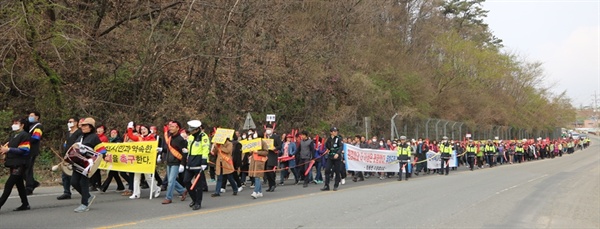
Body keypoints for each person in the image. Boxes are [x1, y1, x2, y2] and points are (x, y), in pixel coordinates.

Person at [71, 117, 106, 213]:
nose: (83, 127)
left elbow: (100, 148)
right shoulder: (80, 137)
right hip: (77, 162)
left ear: (91, 127)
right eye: (82, 125)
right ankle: (88, 196)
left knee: (83, 183)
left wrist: (105, 156)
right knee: (74, 182)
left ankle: (84, 204)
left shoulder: (94, 137)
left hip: (88, 163)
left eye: (85, 125)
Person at [0, 117, 31, 212]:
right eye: (13, 123)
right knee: (19, 184)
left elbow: (25, 149)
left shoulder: (25, 135)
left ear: (22, 125)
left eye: (16, 123)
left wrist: (8, 149)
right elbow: (8, 147)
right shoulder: (13, 136)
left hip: (20, 163)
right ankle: (25, 204)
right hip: (13, 162)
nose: (14, 125)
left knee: (9, 184)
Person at [125, 122, 161, 199]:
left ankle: (156, 188)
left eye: (144, 129)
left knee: (148, 177)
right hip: (139, 160)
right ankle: (136, 193)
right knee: (136, 177)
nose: (143, 130)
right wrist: (130, 128)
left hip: (147, 160)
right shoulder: (139, 137)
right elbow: (131, 136)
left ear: (148, 130)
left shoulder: (151, 138)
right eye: (141, 129)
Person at [183, 120, 209, 210]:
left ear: (197, 129)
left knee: (198, 185)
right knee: (186, 181)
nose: (190, 131)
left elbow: (206, 149)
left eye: (192, 129)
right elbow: (190, 147)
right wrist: (187, 151)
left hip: (199, 162)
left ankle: (198, 202)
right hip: (190, 162)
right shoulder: (190, 137)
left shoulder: (203, 137)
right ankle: (194, 199)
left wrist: (204, 162)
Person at [161, 121, 188, 205]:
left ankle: (168, 198)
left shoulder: (180, 139)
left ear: (177, 128)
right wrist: (161, 150)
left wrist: (182, 164)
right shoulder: (170, 138)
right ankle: (183, 191)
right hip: (169, 162)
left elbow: (184, 152)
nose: (170, 128)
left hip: (176, 162)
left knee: (171, 181)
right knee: (170, 180)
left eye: (173, 127)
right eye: (170, 126)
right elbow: (168, 149)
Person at [57, 118, 83, 200]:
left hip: (75, 155)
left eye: (71, 122)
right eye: (68, 122)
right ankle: (66, 192)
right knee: (65, 173)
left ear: (76, 123)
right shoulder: (68, 133)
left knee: (74, 175)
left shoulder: (79, 132)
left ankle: (83, 192)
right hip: (66, 155)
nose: (69, 123)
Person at [25, 111, 42, 195]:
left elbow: (36, 138)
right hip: (26, 150)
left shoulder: (38, 126)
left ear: (37, 117)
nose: (29, 117)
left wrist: (25, 139)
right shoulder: (28, 126)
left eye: (32, 115)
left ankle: (29, 187)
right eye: (29, 115)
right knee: (25, 169)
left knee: (28, 169)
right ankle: (32, 182)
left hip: (32, 150)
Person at [321, 127, 343, 191]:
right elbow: (327, 146)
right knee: (327, 170)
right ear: (331, 132)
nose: (336, 132)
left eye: (336, 131)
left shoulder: (339, 139)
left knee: (337, 171)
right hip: (330, 157)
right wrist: (327, 150)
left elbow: (341, 146)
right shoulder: (329, 139)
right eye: (334, 131)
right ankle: (326, 185)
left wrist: (338, 153)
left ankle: (336, 185)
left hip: (337, 157)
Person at [264, 123, 281, 192]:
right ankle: (270, 185)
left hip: (272, 155)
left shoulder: (276, 137)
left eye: (269, 129)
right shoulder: (264, 137)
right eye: (267, 129)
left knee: (270, 170)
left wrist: (275, 148)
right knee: (267, 172)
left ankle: (273, 184)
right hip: (265, 156)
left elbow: (280, 146)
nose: (268, 130)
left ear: (272, 129)